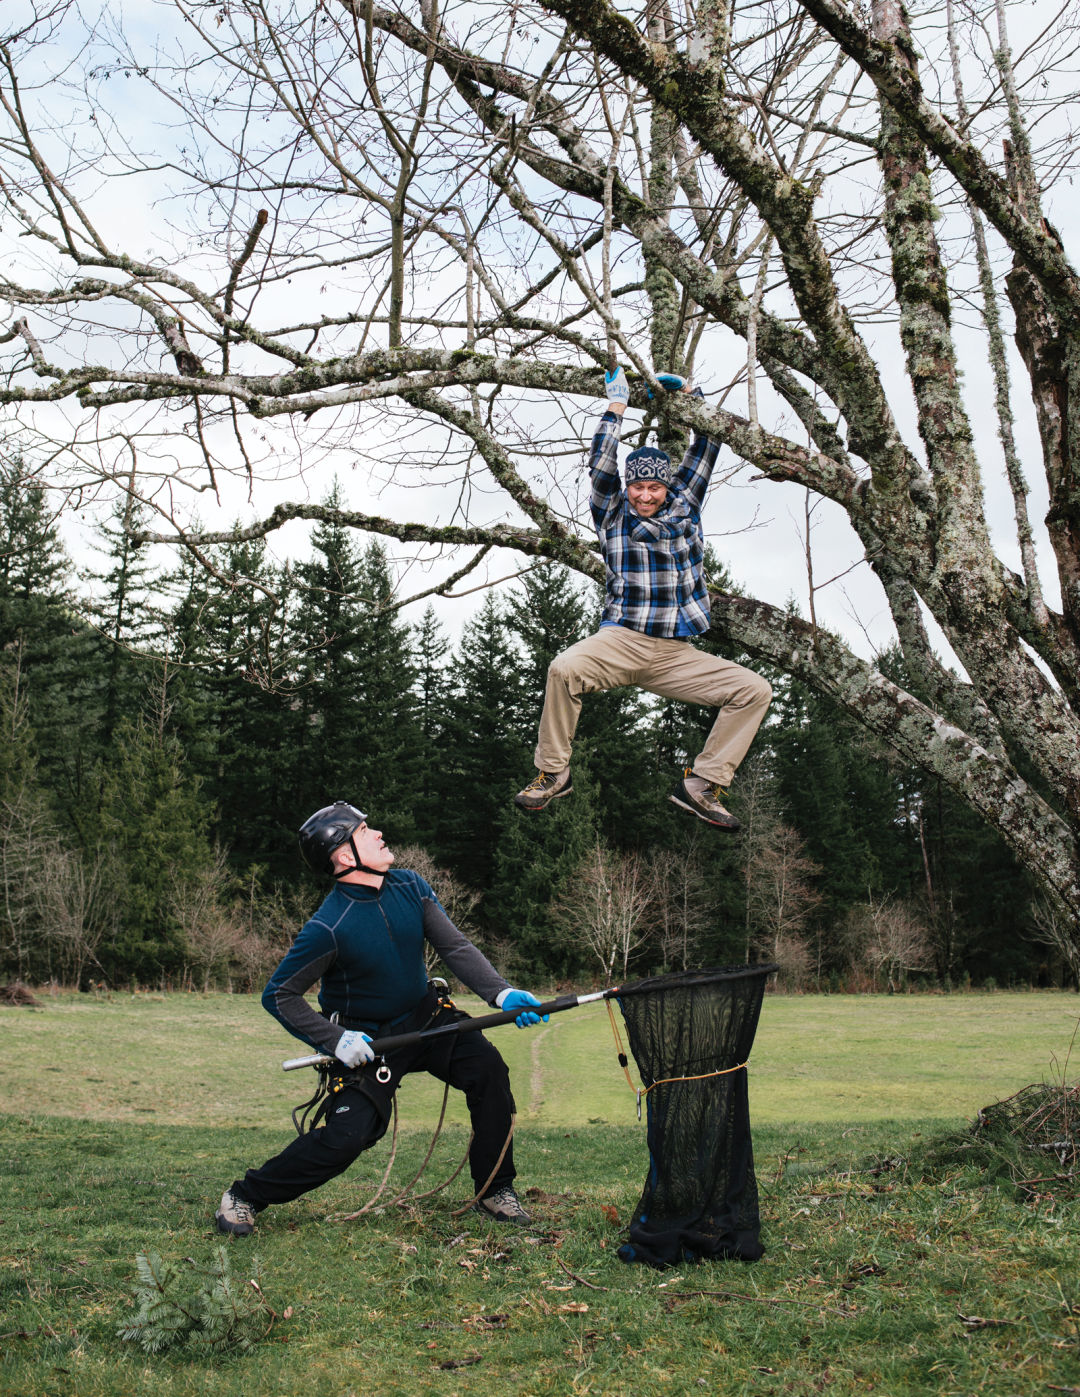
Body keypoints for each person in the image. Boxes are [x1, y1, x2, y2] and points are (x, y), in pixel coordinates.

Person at [214, 801, 546, 1237]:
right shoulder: (328, 927)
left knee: (488, 1071)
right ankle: (245, 1196)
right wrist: (335, 1040)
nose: (378, 833)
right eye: (365, 830)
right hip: (367, 1042)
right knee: (346, 1137)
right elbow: (279, 995)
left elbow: (455, 947)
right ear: (346, 856)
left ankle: (494, 1189)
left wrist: (500, 992)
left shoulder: (411, 886)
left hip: (427, 1017)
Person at [515, 367, 771, 831]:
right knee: (564, 669)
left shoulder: (686, 504)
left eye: (654, 487)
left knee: (754, 689)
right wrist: (616, 407)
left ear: (666, 485)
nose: (646, 495)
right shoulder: (611, 512)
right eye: (638, 487)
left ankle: (701, 785)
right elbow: (601, 462)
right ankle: (553, 772)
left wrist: (696, 397)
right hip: (621, 642)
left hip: (676, 654)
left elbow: (707, 445)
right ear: (628, 487)